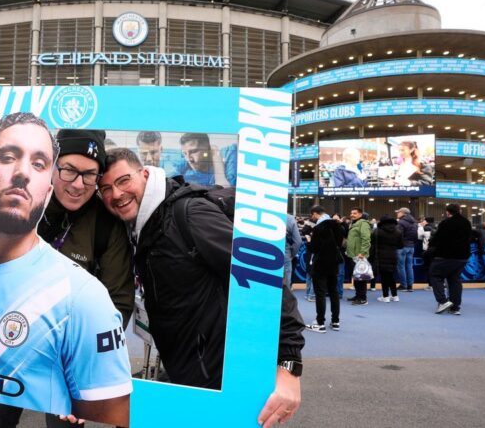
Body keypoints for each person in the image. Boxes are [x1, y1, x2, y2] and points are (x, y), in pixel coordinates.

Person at [0, 112, 131, 426]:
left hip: (65, 361)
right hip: (5, 348)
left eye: (90, 175)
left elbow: (118, 304)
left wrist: (85, 369)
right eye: (69, 170)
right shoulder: (19, 203)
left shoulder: (106, 226)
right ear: (54, 168)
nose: (78, 184)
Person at [99, 148, 304, 426]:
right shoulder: (144, 225)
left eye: (124, 180)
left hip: (218, 381)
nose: (116, 194)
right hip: (187, 375)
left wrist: (289, 366)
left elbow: (263, 279)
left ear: (144, 174)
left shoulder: (188, 213)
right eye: (106, 188)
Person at [304, 205, 344, 332]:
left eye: (312, 216)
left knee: (320, 293)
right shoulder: (337, 226)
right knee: (334, 292)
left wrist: (309, 240)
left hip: (321, 263)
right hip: (334, 263)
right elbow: (339, 243)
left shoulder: (318, 228)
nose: (312, 218)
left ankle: (320, 323)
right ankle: (335, 321)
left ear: (316, 214)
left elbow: (314, 248)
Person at [426, 203, 472, 315]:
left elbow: (437, 238)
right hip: (462, 257)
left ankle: (442, 301)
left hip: (445, 256)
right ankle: (455, 307)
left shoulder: (445, 223)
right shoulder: (466, 222)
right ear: (459, 210)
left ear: (448, 212)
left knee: (435, 275)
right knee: (455, 279)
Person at [370, 215, 404, 303]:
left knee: (384, 277)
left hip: (380, 256)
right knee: (391, 276)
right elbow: (401, 245)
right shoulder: (398, 232)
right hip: (393, 256)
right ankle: (395, 295)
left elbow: (372, 244)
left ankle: (385, 296)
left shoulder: (377, 231)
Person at [345, 207, 371, 305]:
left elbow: (366, 239)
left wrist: (363, 253)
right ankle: (358, 295)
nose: (352, 214)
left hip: (359, 255)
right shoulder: (354, 223)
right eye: (351, 213)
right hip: (353, 255)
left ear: (360, 214)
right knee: (356, 277)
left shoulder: (363, 223)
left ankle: (363, 298)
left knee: (361, 278)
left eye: (355, 213)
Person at [395, 207, 418, 292]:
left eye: (398, 212)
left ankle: (403, 285)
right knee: (409, 266)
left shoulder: (401, 222)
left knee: (401, 266)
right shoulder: (414, 223)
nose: (397, 213)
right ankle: (410, 286)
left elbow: (398, 235)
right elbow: (416, 236)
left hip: (402, 247)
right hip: (411, 246)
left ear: (403, 213)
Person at [283, 214, 302, 290]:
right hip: (285, 254)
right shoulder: (289, 218)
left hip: (265, 254)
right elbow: (298, 241)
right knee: (286, 282)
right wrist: (292, 255)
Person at [418, 216, 437, 291]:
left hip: (428, 250)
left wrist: (420, 227)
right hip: (437, 250)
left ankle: (431, 285)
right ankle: (439, 284)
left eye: (424, 220)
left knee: (429, 267)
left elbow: (419, 237)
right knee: (436, 268)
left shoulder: (424, 228)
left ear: (426, 221)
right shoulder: (436, 227)